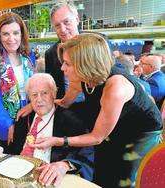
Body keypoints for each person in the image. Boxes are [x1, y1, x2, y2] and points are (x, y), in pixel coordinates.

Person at [31, 33, 163, 188]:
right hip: (114, 124)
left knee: (123, 178)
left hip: (140, 131)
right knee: (102, 167)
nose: (62, 68)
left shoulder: (116, 88)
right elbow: (65, 102)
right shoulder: (81, 77)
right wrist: (36, 104)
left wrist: (58, 140)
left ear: (85, 64)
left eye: (67, 64)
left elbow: (97, 137)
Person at [10, 73, 94, 186]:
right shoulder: (23, 118)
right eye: (34, 94)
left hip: (48, 180)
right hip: (19, 175)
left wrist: (65, 165)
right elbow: (13, 150)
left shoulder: (72, 121)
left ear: (54, 94)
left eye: (44, 93)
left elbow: (87, 156)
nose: (39, 100)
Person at [0, 12, 34, 152]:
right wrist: (8, 123)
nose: (11, 39)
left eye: (16, 33)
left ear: (22, 34)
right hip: (3, 121)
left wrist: (32, 106)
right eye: (5, 34)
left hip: (29, 118)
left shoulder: (29, 57)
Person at [44, 1, 85, 102]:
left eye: (66, 22)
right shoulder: (50, 54)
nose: (62, 29)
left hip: (95, 109)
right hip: (65, 110)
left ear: (77, 19)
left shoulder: (97, 42)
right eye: (57, 25)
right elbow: (51, 86)